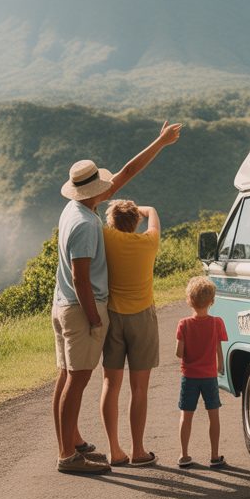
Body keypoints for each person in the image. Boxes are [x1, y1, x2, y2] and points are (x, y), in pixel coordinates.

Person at [52, 121, 181, 475]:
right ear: (94, 190)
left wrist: (158, 142)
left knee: (70, 378)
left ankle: (79, 443)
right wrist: (94, 318)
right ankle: (68, 455)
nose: (110, 187)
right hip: (83, 310)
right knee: (76, 380)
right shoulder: (88, 226)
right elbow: (80, 276)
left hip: (69, 305)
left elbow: (125, 174)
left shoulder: (83, 215)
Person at [100, 200, 161, 467]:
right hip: (143, 319)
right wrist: (142, 208)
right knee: (139, 388)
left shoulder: (107, 237)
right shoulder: (149, 242)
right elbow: (153, 215)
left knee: (110, 385)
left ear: (112, 222)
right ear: (136, 221)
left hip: (113, 318)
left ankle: (114, 449)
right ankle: (138, 450)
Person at [175, 276, 228, 469]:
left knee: (186, 415)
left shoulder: (184, 324)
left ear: (189, 300)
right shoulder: (217, 323)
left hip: (189, 376)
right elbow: (218, 348)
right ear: (212, 301)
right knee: (213, 415)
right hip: (209, 376)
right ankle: (214, 455)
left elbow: (179, 352)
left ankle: (184, 454)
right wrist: (220, 364)